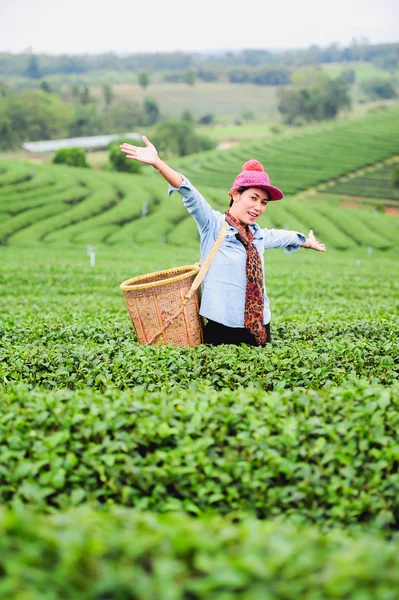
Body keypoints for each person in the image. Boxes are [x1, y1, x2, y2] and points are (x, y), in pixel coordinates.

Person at [120, 136, 326, 347]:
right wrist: (159, 164)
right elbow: (189, 191)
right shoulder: (213, 225)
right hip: (223, 326)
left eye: (264, 202)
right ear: (236, 194)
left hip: (260, 327)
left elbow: (284, 237)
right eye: (253, 198)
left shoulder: (259, 235)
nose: (258, 207)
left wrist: (306, 242)